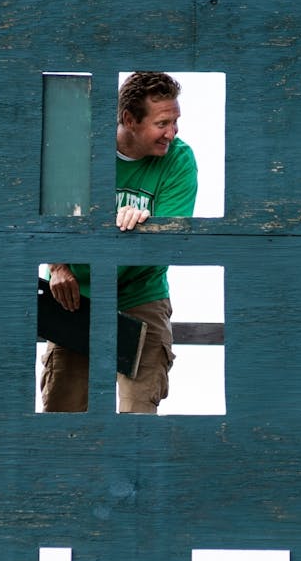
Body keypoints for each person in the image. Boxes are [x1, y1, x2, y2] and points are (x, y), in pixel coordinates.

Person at [42, 71, 198, 413]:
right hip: (75, 296)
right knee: (61, 416)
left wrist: (141, 228)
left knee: (137, 418)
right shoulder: (81, 148)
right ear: (129, 119)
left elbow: (170, 239)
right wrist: (57, 265)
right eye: (162, 123)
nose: (172, 133)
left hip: (142, 294)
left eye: (175, 121)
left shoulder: (180, 160)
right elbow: (47, 210)